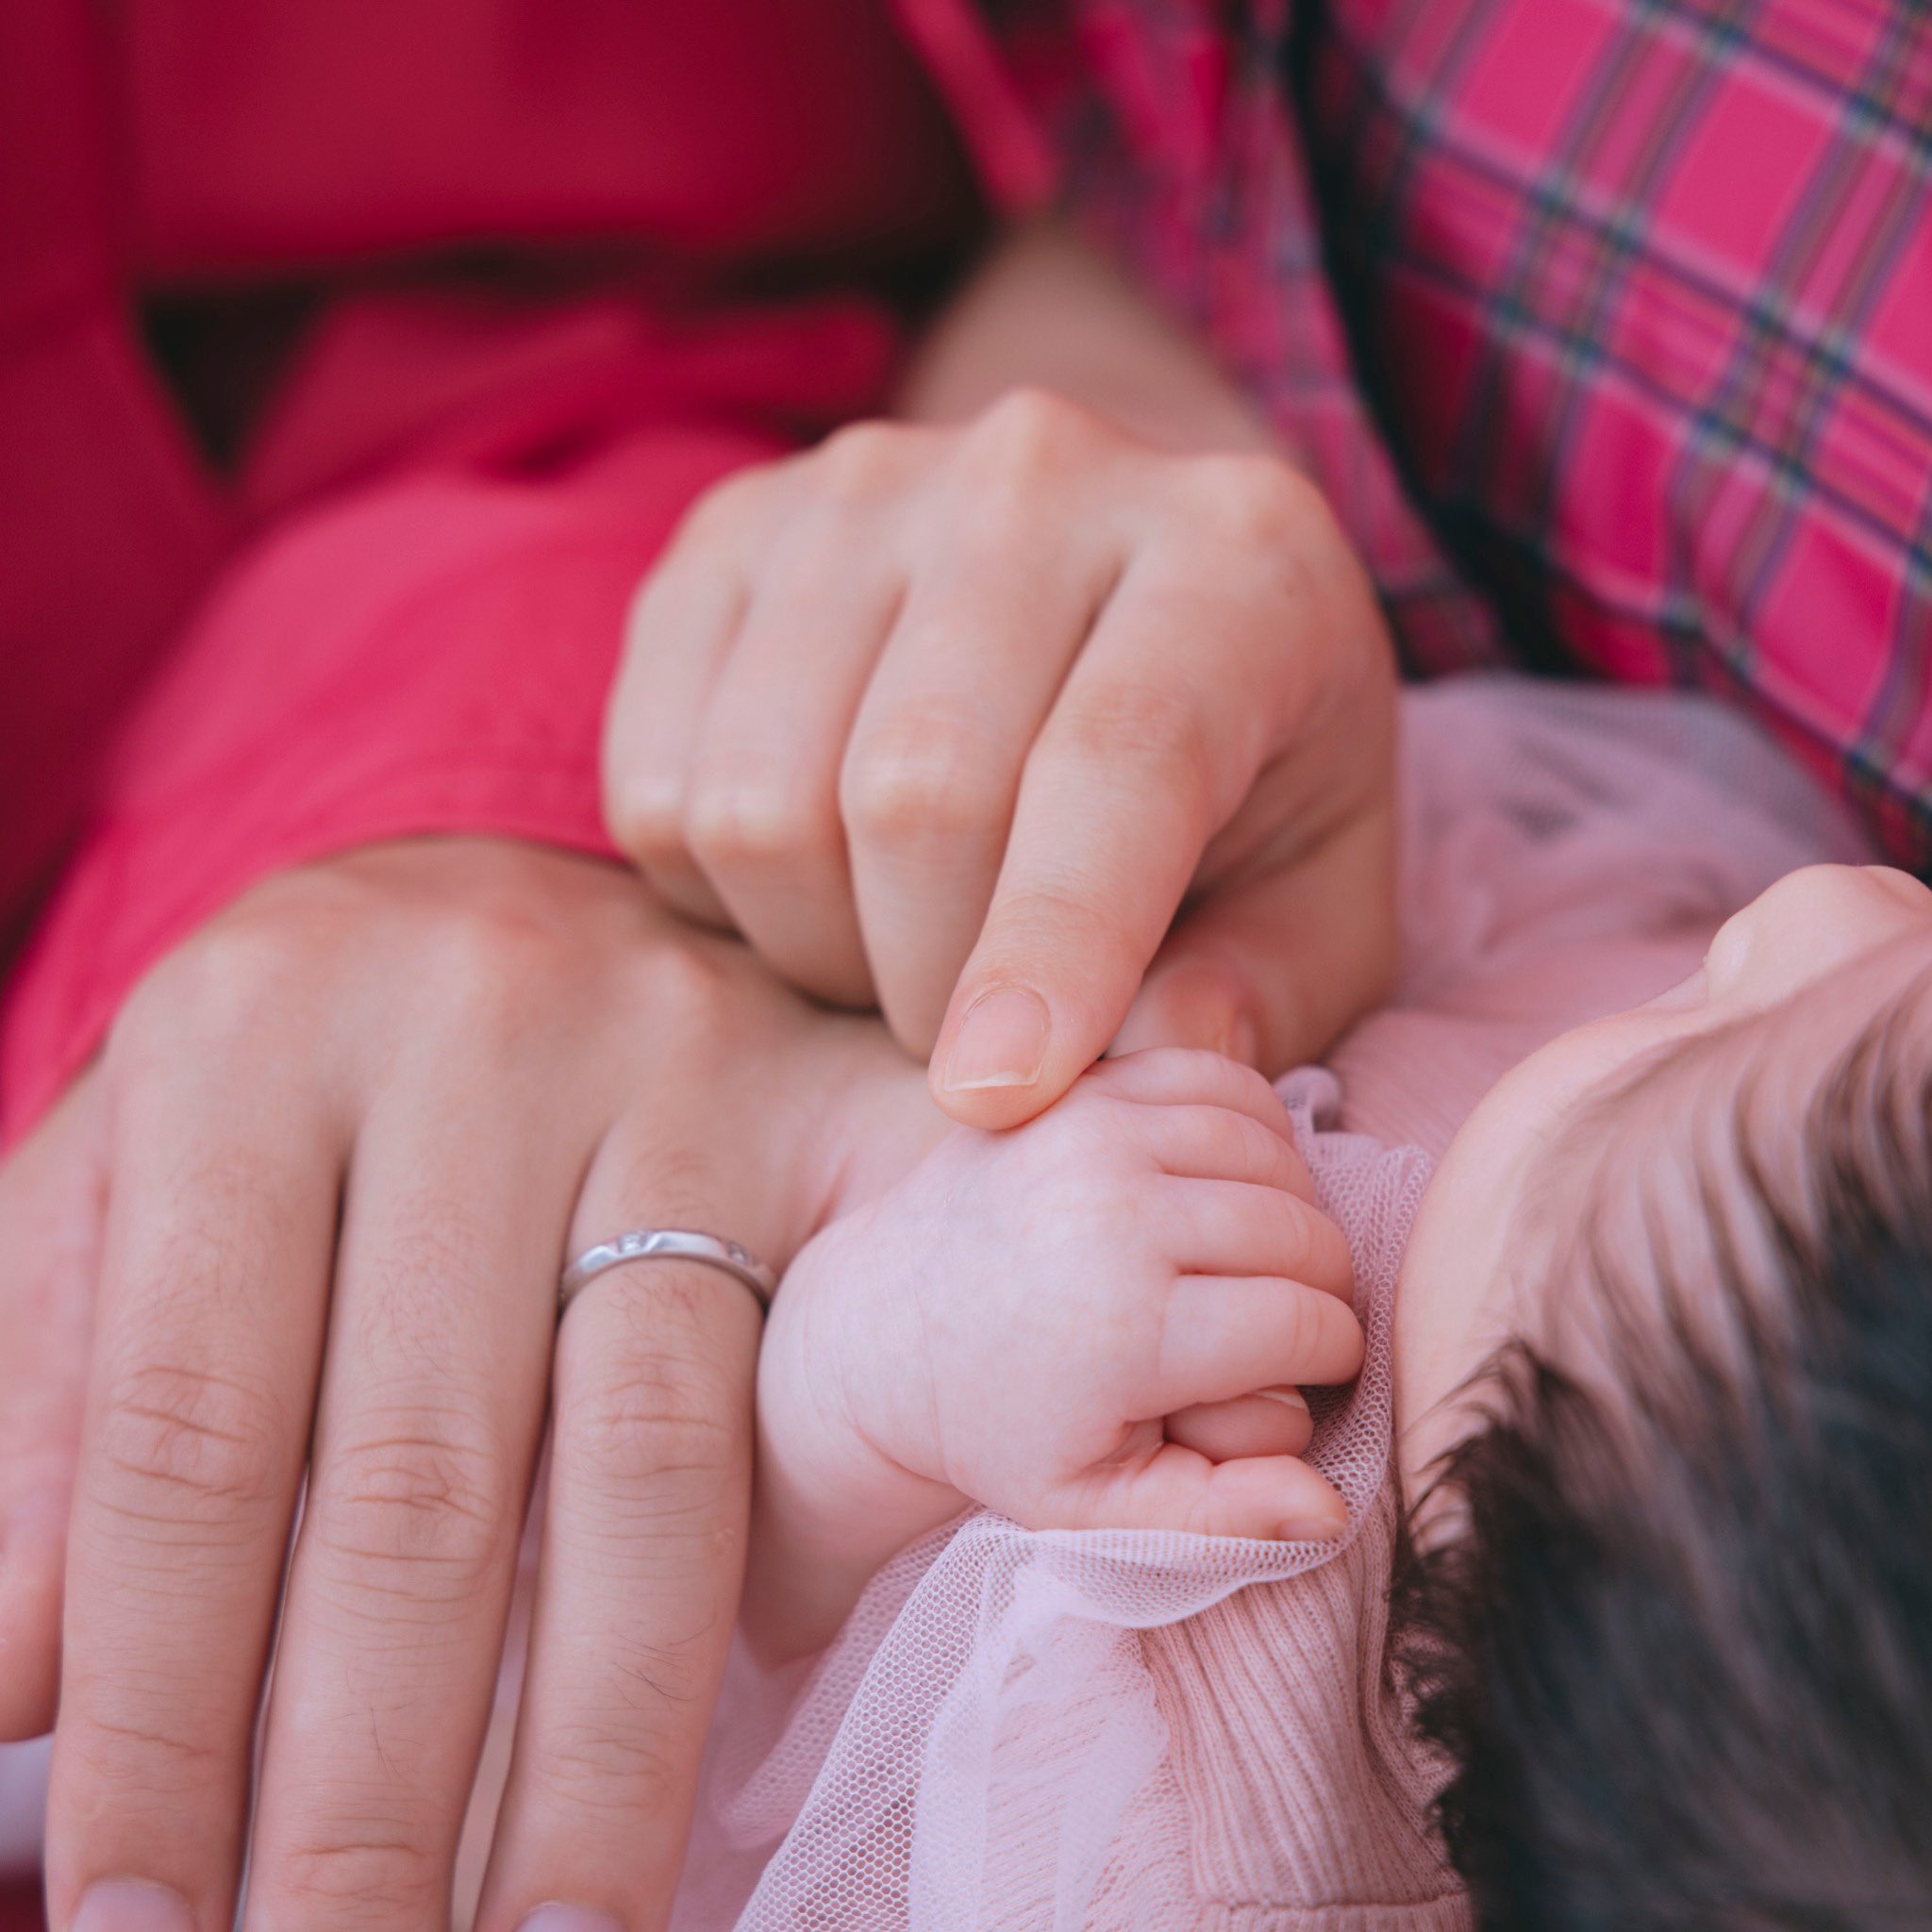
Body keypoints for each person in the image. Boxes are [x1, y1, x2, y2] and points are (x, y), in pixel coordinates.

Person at [676, 677, 1928, 1931]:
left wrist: (879, 1361)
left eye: (1684, 1043)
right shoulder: (1662, 1254)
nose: (1834, 896)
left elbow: (761, 1718)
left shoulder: (1157, 1829)